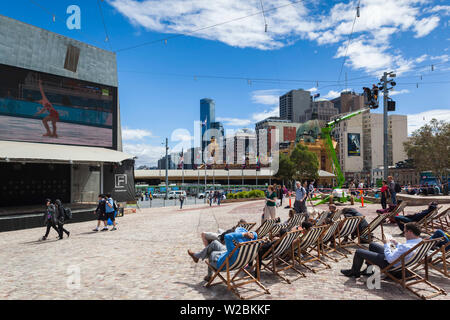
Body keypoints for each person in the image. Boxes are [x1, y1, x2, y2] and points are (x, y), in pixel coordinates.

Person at [340, 222, 423, 278]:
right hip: (400, 261)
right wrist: (397, 244)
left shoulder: (406, 247)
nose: (404, 233)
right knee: (373, 245)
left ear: (410, 232)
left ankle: (354, 272)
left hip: (390, 264)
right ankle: (368, 271)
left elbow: (390, 259)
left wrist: (387, 244)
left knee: (359, 252)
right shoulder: (419, 242)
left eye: (404, 231)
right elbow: (405, 250)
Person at [187, 227, 257, 282]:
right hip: (232, 259)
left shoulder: (234, 249)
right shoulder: (251, 247)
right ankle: (197, 256)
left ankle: (208, 275)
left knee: (211, 253)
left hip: (223, 264)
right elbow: (255, 234)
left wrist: (243, 234)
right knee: (214, 243)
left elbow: (227, 236)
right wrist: (251, 234)